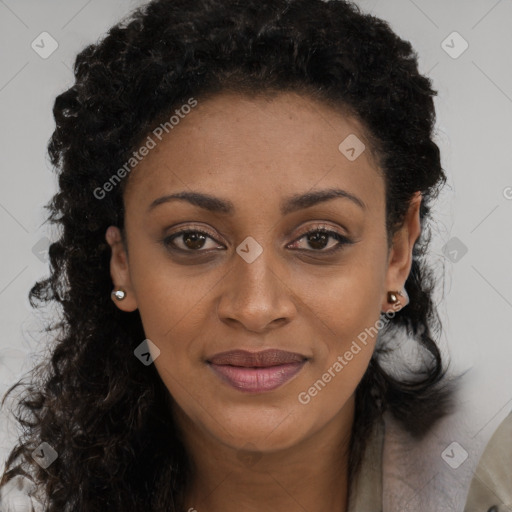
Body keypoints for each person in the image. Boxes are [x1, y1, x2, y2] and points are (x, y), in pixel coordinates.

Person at [1, 0, 505, 510]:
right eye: (193, 239)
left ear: (397, 251)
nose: (256, 307)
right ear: (123, 261)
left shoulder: (488, 477)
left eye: (318, 239)